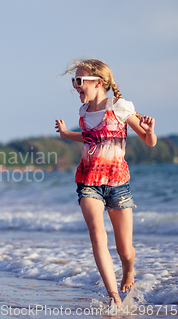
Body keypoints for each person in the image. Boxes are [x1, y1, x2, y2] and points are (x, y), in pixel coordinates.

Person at [55, 58, 156, 307]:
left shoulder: (120, 107)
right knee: (97, 234)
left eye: (80, 81)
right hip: (88, 181)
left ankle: (128, 269)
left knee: (125, 250)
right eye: (74, 81)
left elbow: (148, 140)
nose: (76, 86)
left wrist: (150, 130)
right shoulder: (83, 112)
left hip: (118, 183)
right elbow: (89, 137)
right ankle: (114, 299)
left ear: (98, 83)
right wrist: (67, 134)